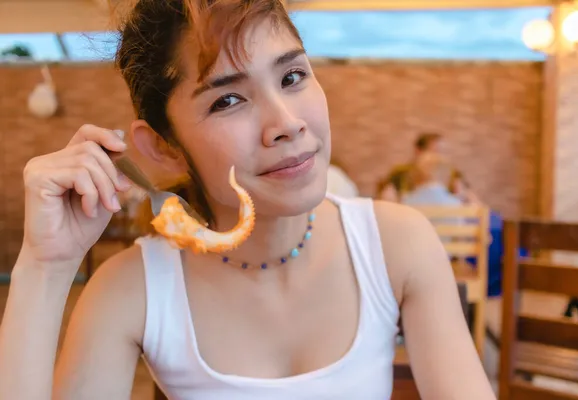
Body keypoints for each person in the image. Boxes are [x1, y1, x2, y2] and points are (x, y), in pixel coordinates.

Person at [0, 1, 495, 399]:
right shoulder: (131, 291)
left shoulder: (397, 244)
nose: (287, 123)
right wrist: (45, 268)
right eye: (228, 100)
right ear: (163, 146)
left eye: (292, 76)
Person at [375, 132, 446, 202]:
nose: (439, 156)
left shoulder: (451, 174)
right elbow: (387, 198)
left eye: (442, 152)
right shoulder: (400, 172)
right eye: (434, 151)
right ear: (418, 151)